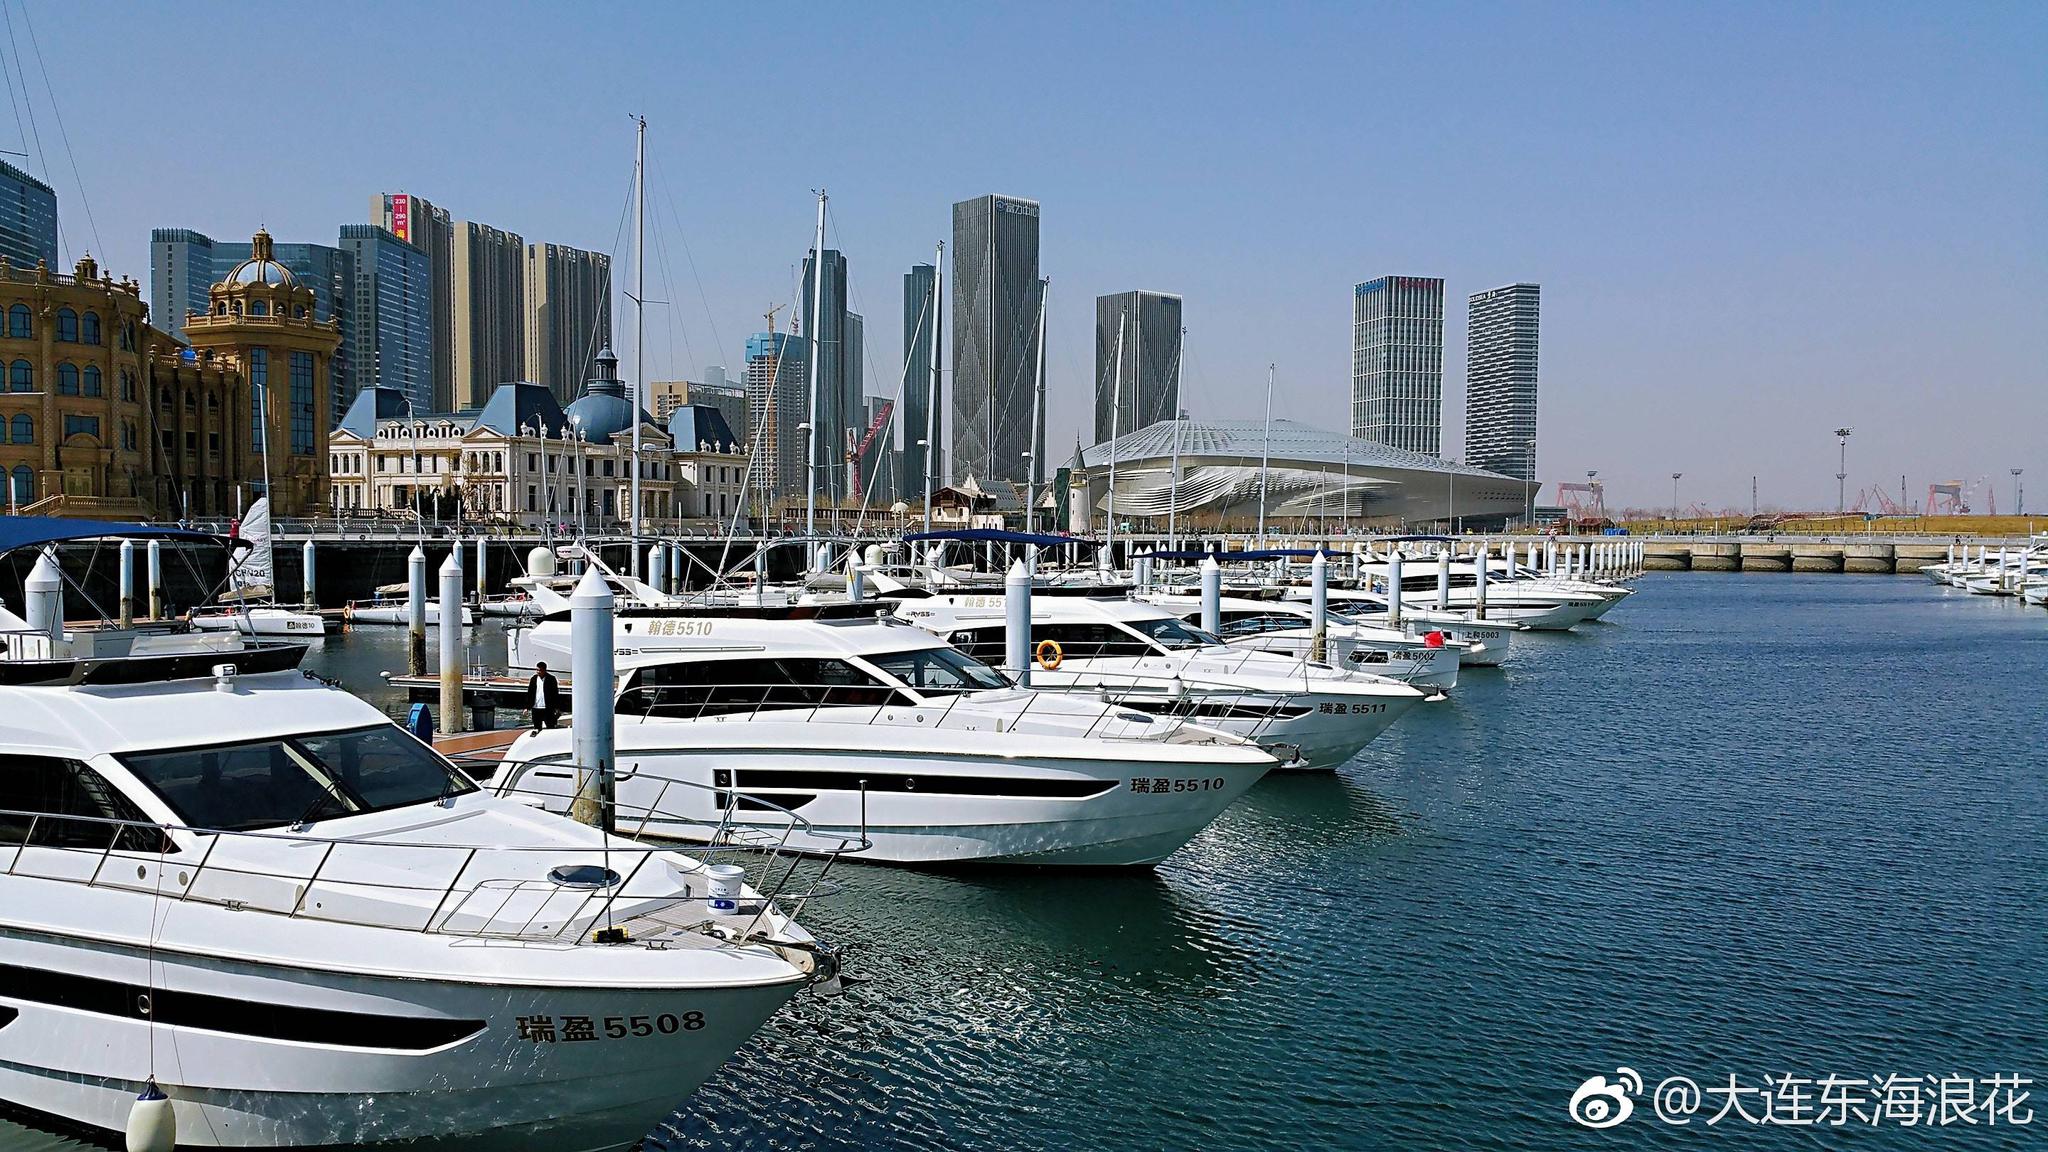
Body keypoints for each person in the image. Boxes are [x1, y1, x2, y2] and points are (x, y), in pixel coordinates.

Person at [527, 661, 560, 734]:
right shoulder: (533, 679)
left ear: (545, 670)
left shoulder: (551, 679)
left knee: (550, 727)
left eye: (540, 670)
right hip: (536, 708)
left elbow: (555, 694)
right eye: (537, 670)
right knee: (537, 728)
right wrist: (527, 707)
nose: (538, 672)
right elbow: (530, 693)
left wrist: (556, 707)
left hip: (547, 708)